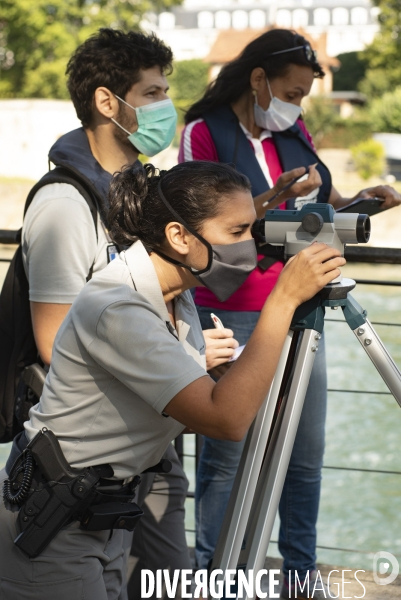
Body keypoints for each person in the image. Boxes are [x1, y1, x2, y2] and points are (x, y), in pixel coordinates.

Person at [0, 159, 346, 598]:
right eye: (236, 232)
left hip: (102, 515)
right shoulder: (118, 305)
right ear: (179, 237)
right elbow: (227, 420)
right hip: (51, 526)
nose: (249, 247)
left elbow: (202, 394)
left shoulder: (175, 295)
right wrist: (284, 299)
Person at [179, 28, 401, 599]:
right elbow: (197, 229)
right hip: (232, 314)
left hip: (301, 308)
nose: (298, 104)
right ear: (259, 80)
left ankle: (301, 582)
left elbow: (309, 220)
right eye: (293, 92)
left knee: (305, 458)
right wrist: (261, 205)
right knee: (226, 463)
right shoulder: (204, 135)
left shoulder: (292, 131)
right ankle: (216, 581)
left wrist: (357, 204)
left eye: (304, 95)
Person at [19, 28, 237, 599]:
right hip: (87, 459)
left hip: (150, 438)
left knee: (168, 580)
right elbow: (54, 338)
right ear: (107, 103)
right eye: (153, 92)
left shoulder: (140, 196)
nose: (167, 106)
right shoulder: (66, 204)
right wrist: (187, 359)